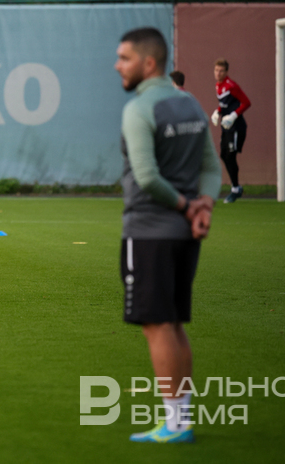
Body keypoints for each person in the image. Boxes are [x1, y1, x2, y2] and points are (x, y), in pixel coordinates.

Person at [114, 27, 221, 444]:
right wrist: (203, 205)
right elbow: (210, 166)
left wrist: (185, 206)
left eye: (124, 58)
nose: (118, 66)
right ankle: (180, 421)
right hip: (184, 235)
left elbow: (146, 177)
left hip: (149, 233)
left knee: (157, 326)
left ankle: (175, 425)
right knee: (173, 324)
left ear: (149, 62)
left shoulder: (139, 110)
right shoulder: (190, 103)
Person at [210, 58, 251, 203]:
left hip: (236, 127)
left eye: (221, 71)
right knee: (224, 155)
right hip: (226, 127)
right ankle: (236, 187)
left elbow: (246, 102)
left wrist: (233, 115)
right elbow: (225, 103)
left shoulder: (231, 86)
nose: (218, 73)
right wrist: (218, 111)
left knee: (230, 155)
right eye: (216, 70)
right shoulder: (218, 85)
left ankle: (235, 189)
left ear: (226, 72)